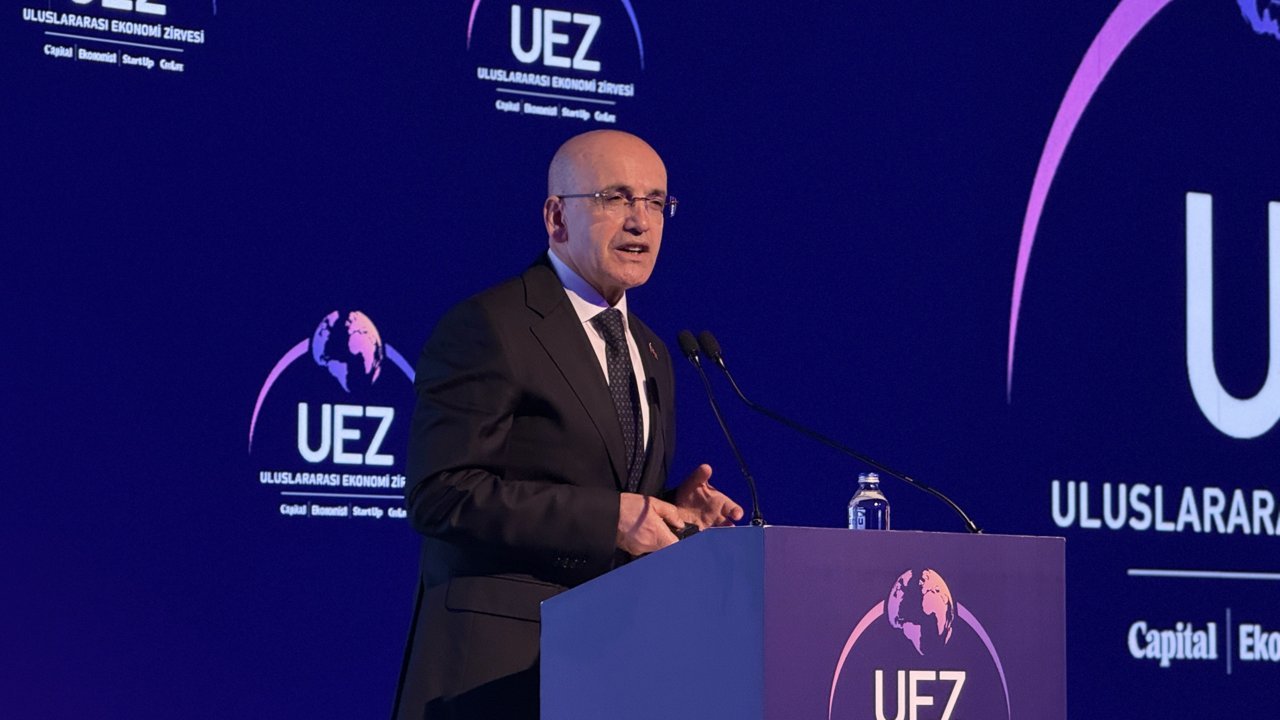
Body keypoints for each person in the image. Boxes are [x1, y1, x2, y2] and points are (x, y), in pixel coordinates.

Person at [392, 130, 744, 720]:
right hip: (495, 673)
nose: (640, 221)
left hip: (611, 666)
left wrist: (666, 511)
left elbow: (599, 487)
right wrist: (613, 518)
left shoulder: (653, 350)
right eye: (616, 197)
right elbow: (441, 494)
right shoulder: (490, 326)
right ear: (557, 217)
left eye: (656, 202)